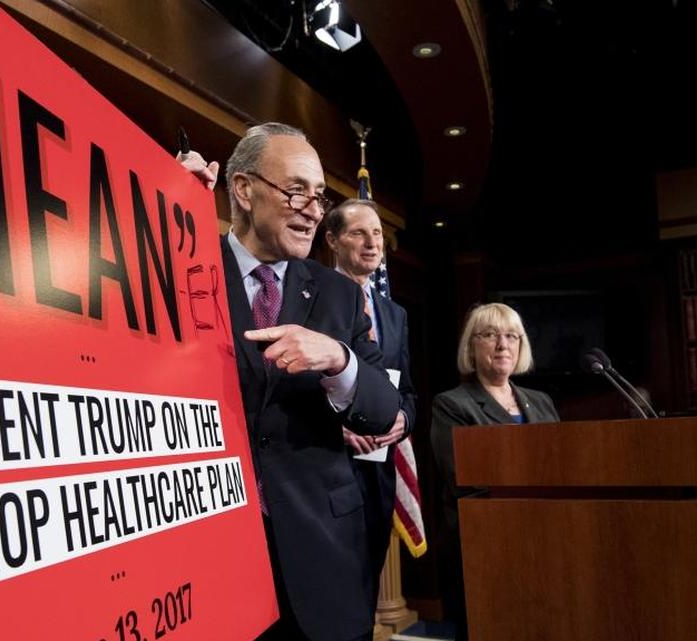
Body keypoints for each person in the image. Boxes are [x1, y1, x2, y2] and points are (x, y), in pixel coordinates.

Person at [182, 123, 401, 641]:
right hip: (214, 559)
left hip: (323, 557)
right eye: (296, 189)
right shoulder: (183, 265)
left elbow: (384, 406)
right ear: (243, 189)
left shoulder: (340, 295)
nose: (311, 209)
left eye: (319, 196)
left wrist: (339, 361)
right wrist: (162, 203)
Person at [429, 302, 560, 640]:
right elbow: (464, 480)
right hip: (485, 547)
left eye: (512, 336)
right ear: (472, 346)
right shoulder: (453, 404)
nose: (503, 345)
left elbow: (562, 467)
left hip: (549, 539)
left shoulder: (542, 401)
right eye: (490, 335)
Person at [323, 199, 417, 616]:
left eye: (377, 233)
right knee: (332, 599)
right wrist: (336, 429)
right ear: (332, 240)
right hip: (329, 469)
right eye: (358, 233)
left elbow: (409, 391)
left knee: (366, 596)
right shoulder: (314, 299)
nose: (371, 242)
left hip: (380, 473)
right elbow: (294, 388)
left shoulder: (394, 314)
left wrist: (402, 420)